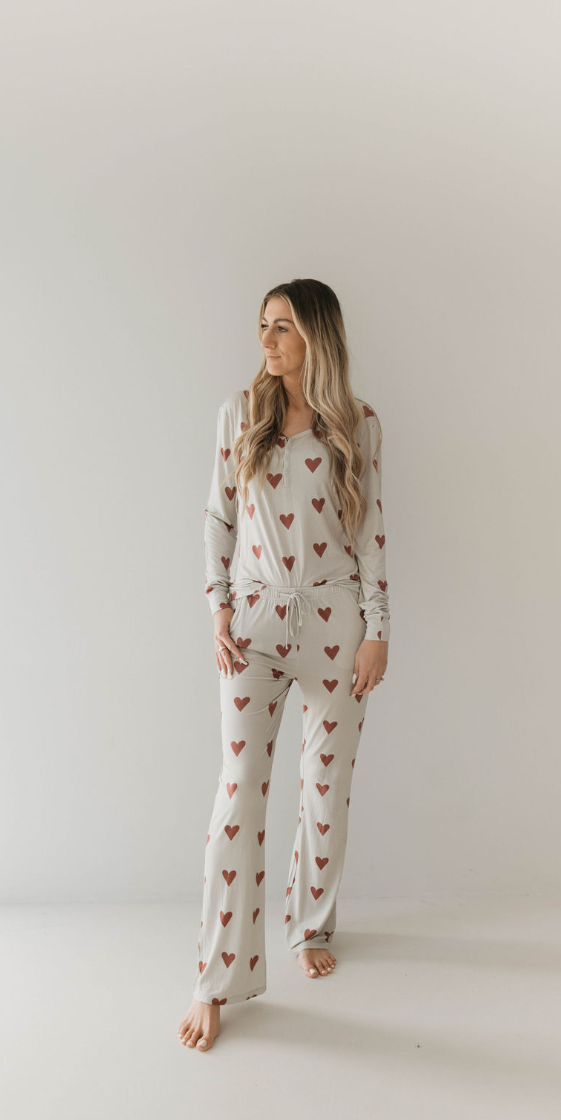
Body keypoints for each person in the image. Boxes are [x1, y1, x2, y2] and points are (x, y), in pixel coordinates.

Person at [178, 278, 391, 1052]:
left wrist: (378, 629)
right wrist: (219, 610)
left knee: (325, 789)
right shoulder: (241, 414)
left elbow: (371, 533)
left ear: (317, 340)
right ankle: (214, 978)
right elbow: (216, 517)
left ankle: (310, 927)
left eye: (283, 329)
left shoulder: (357, 425)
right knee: (239, 796)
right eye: (262, 327)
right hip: (256, 626)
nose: (267, 342)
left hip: (337, 623)